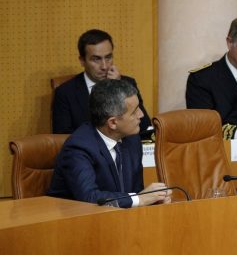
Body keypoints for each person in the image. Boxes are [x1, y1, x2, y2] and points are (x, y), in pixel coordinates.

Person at [48, 79, 171, 208]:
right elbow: (89, 198)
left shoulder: (132, 139)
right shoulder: (78, 148)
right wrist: (140, 199)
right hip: (74, 222)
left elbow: (134, 192)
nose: (141, 115)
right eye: (134, 111)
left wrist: (153, 199)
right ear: (112, 123)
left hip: (118, 219)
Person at [52, 29, 152, 139]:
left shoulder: (126, 83)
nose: (104, 66)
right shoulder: (65, 93)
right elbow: (62, 137)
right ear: (82, 60)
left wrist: (118, 88)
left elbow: (144, 127)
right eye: (96, 59)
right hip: (88, 153)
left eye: (108, 57)